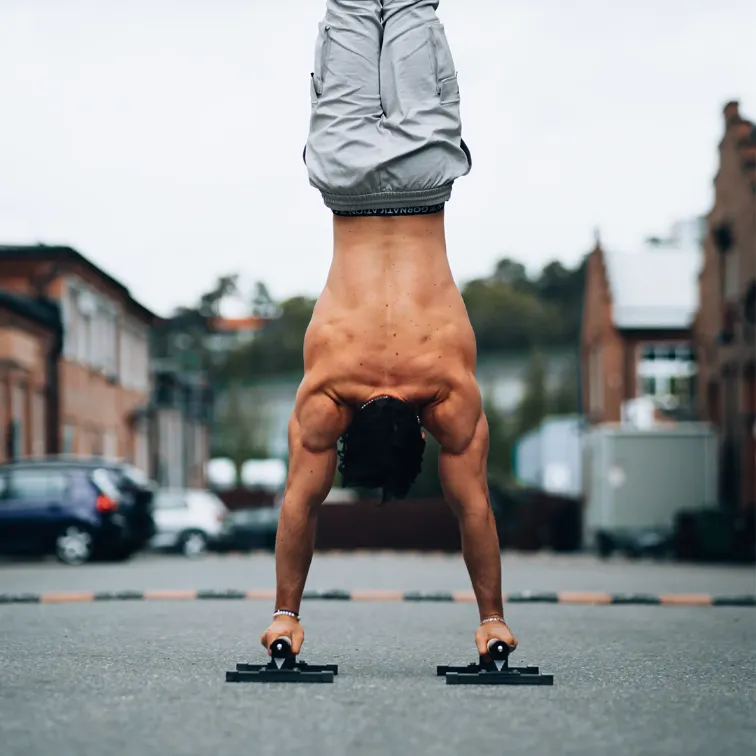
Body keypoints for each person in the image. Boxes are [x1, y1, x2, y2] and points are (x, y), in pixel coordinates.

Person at [260, 0, 517, 660]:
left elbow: (475, 511)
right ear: (348, 437)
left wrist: (495, 620)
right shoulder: (329, 391)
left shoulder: (447, 393)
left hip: (424, 176)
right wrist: (282, 614)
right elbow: (300, 504)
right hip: (345, 177)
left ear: (421, 438)